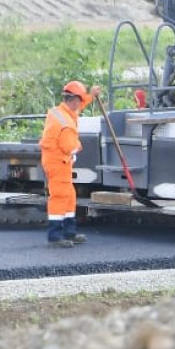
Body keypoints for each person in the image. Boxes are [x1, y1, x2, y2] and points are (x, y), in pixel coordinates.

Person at [41, 80, 101, 248]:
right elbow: (70, 147)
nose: (81, 105)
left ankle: (69, 232)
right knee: (60, 197)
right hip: (57, 162)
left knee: (69, 196)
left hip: (60, 161)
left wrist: (91, 96)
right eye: (80, 101)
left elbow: (79, 107)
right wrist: (79, 146)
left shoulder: (61, 112)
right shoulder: (65, 124)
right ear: (74, 100)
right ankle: (55, 236)